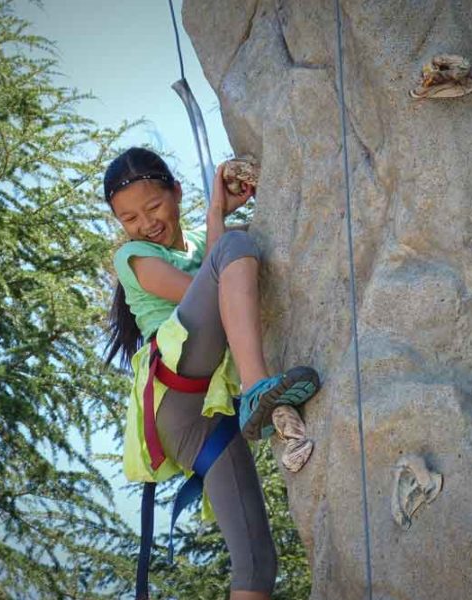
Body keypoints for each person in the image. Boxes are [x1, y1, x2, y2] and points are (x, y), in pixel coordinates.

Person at [103, 147, 320, 599]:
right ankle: (261, 388)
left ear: (176, 193)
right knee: (235, 247)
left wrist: (230, 209)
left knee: (257, 564)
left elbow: (233, 257)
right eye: (130, 219)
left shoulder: (205, 243)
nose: (146, 224)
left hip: (212, 412)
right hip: (178, 392)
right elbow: (215, 283)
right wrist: (218, 212)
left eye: (154, 206)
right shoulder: (135, 259)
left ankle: (258, 396)